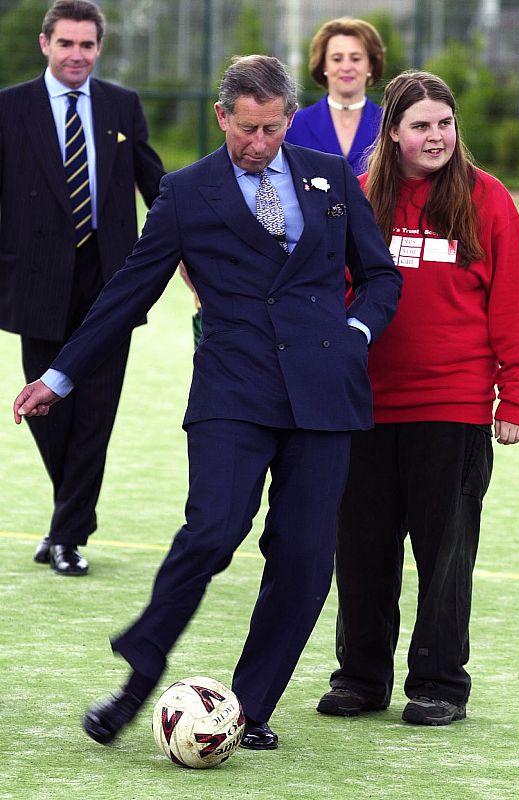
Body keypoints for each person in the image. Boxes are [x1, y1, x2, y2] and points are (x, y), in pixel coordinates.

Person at [13, 55, 402, 750]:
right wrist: (59, 377)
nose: (259, 144)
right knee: (214, 530)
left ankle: (248, 708)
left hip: (324, 392)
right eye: (247, 129)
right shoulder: (186, 193)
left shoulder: (331, 175)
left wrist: (356, 330)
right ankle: (138, 682)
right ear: (222, 115)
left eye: (273, 129)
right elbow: (128, 289)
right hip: (234, 388)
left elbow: (380, 277)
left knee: (307, 558)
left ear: (289, 117)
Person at [316, 71, 519, 726]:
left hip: (454, 406)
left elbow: (516, 304)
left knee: (445, 557)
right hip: (366, 408)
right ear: (392, 132)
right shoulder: (361, 199)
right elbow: (330, 294)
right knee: (361, 551)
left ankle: (440, 684)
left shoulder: (487, 200)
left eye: (445, 124)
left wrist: (518, 395)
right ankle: (361, 678)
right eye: (421, 125)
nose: (436, 136)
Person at [0, 0, 164, 576]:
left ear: (99, 48)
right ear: (45, 44)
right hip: (37, 282)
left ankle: (69, 535)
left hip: (109, 283)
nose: (77, 55)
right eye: (66, 43)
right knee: (48, 412)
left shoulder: (122, 105)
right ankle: (66, 521)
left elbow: (157, 185)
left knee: (95, 412)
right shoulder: (9, 109)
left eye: (87, 45)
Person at [285, 17, 385, 175]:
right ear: (324, 65)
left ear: (370, 65)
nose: (346, 67)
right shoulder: (293, 126)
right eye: (337, 59)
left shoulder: (389, 125)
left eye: (356, 58)